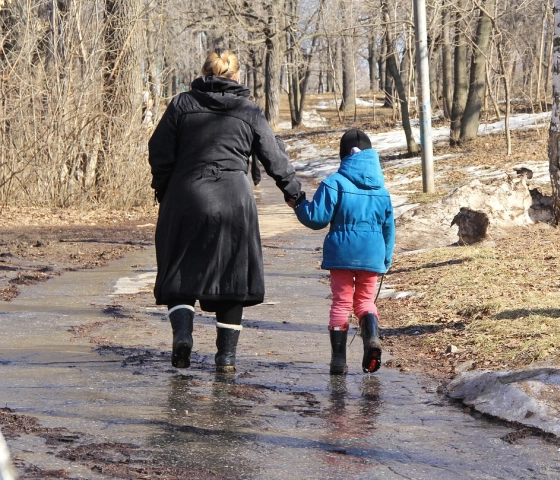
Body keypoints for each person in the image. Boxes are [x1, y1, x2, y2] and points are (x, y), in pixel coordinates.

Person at [148, 49, 302, 373]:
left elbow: (158, 150)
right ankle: (226, 359)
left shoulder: (181, 105)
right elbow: (273, 155)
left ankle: (183, 336)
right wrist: (294, 194)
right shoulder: (249, 111)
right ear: (237, 77)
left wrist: (165, 188)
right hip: (234, 198)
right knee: (233, 274)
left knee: (180, 269)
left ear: (205, 73)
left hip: (186, 195)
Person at [294, 129, 395, 374]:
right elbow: (388, 228)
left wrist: (299, 204)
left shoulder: (334, 183)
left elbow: (317, 219)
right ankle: (371, 338)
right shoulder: (382, 191)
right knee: (364, 302)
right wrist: (386, 259)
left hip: (341, 253)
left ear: (343, 156)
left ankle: (338, 360)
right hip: (372, 254)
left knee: (341, 303)